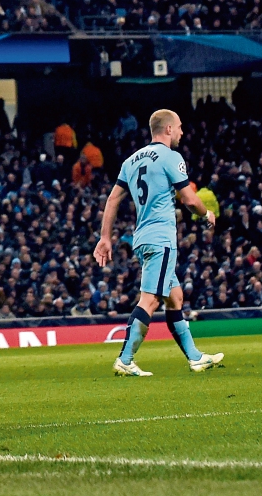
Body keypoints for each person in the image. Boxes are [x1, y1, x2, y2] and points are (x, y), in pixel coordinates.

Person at [94, 109, 224, 376]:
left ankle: (195, 357)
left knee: (175, 298)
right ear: (167, 129)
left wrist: (105, 237)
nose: (181, 132)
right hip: (160, 239)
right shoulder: (171, 157)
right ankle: (125, 359)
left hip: (142, 238)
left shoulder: (130, 161)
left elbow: (113, 199)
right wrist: (206, 214)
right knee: (151, 300)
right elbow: (189, 199)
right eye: (178, 127)